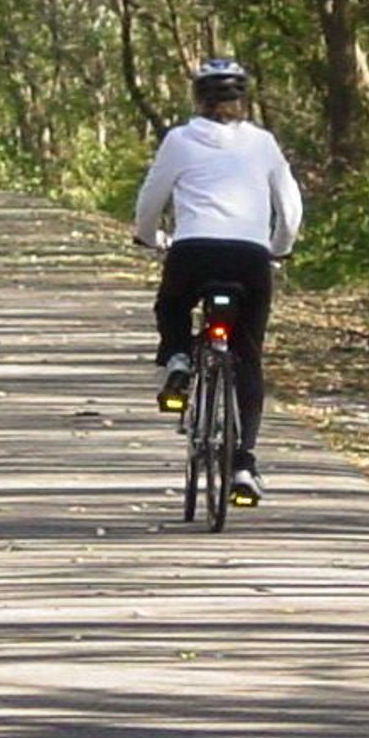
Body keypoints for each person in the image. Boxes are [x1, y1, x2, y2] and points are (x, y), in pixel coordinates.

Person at [130, 56, 302, 509]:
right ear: (242, 101)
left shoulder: (179, 140)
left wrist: (148, 237)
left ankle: (180, 358)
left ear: (198, 99)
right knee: (247, 356)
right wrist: (278, 246)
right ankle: (243, 463)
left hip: (192, 253)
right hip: (249, 258)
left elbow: (151, 199)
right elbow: (291, 208)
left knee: (171, 308)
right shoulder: (263, 143)